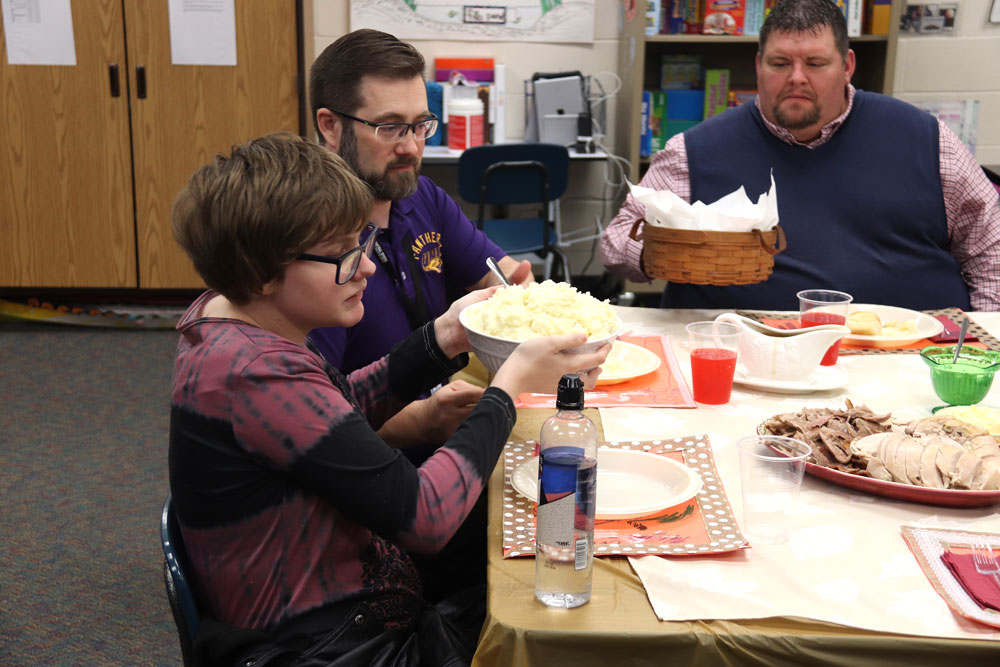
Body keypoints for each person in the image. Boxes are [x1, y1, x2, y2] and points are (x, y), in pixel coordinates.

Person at [168, 133, 610, 666]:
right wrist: (507, 387)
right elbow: (426, 517)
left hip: (340, 596)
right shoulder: (256, 375)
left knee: (529, 524)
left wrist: (447, 335)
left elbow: (331, 406)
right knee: (569, 607)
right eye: (341, 255)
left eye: (363, 243)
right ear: (262, 273)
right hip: (334, 644)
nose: (366, 267)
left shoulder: (226, 319)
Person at [601, 0, 1000, 312]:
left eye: (815, 63)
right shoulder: (693, 151)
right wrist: (670, 251)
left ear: (846, 66)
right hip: (740, 357)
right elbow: (616, 244)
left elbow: (990, 244)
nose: (796, 77)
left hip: (913, 353)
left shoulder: (926, 137)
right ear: (759, 66)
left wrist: (988, 343)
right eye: (780, 63)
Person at [307, 29, 533, 379]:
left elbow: (497, 275)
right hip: (372, 430)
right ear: (330, 127)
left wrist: (517, 292)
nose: (411, 147)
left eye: (420, 125)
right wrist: (426, 418)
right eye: (390, 127)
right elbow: (320, 413)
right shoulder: (308, 239)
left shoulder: (422, 196)